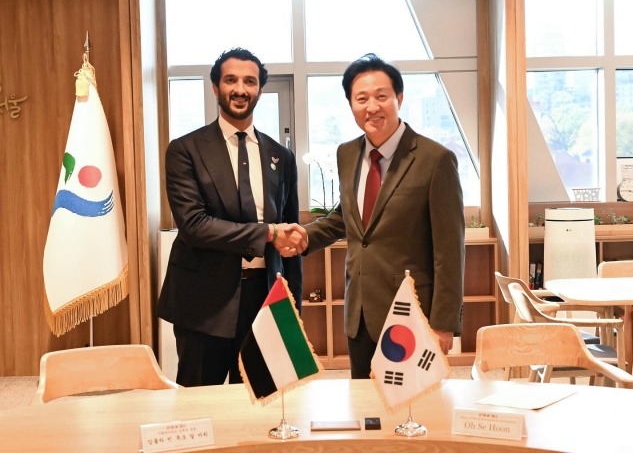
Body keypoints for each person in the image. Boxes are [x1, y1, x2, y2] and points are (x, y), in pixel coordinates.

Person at [295, 53, 465, 379]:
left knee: (415, 412)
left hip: (413, 314)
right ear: (351, 105)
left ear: (399, 98)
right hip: (359, 313)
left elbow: (450, 250)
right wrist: (304, 237)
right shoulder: (347, 154)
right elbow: (348, 219)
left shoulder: (435, 159)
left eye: (381, 96)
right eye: (362, 98)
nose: (372, 107)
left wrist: (444, 324)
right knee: (366, 411)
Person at [157, 47, 306, 387]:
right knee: (199, 403)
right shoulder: (185, 150)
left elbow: (290, 234)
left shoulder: (280, 156)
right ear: (215, 87)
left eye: (250, 81)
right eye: (231, 80)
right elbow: (194, 226)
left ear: (260, 91)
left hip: (264, 299)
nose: (241, 88)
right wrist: (267, 234)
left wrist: (292, 306)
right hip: (204, 301)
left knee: (261, 403)